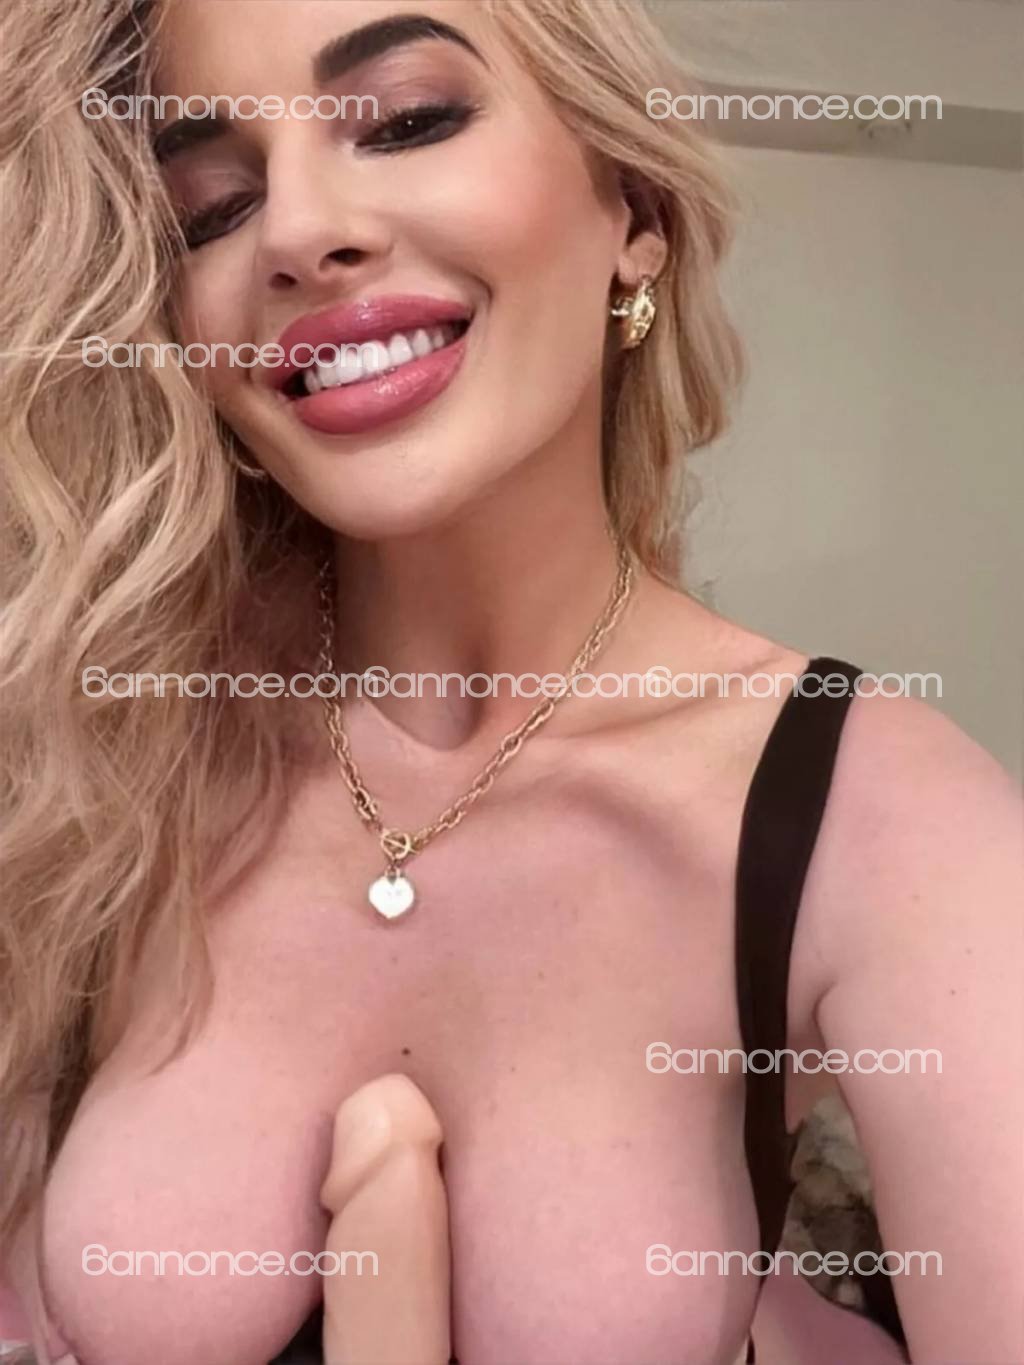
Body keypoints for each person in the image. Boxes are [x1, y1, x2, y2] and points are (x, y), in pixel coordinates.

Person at [1, 2, 1021, 1363]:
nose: (299, 232)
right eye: (214, 206)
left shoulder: (877, 815)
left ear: (634, 211)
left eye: (409, 120)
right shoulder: (94, 751)